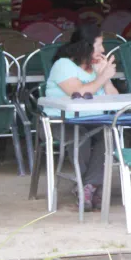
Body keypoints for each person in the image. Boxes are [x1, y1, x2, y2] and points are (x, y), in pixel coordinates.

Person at [44, 23, 119, 210]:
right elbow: (78, 93)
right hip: (62, 121)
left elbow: (115, 98)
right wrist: (101, 78)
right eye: (99, 45)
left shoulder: (95, 69)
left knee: (109, 136)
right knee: (81, 138)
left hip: (94, 121)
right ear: (86, 46)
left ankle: (87, 187)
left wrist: (105, 77)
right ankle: (90, 187)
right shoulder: (63, 65)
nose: (103, 50)